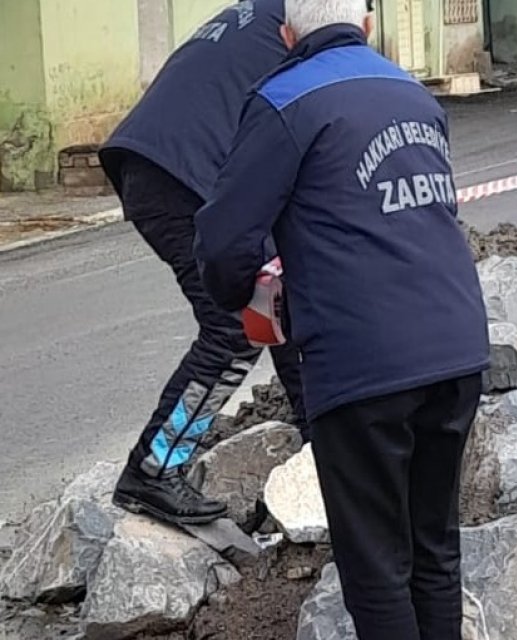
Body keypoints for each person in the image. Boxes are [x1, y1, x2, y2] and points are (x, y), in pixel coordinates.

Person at [192, 1, 490, 638]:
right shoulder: (413, 91)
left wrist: (246, 293)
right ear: (368, 26)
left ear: (286, 35)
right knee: (434, 548)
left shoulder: (283, 99)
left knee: (376, 565)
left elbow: (222, 240)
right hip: (458, 345)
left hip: (363, 363)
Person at [96, 0, 311, 527]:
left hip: (161, 165)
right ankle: (152, 470)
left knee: (272, 300)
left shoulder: (258, 14)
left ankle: (317, 438)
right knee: (237, 326)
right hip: (183, 174)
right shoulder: (304, 32)